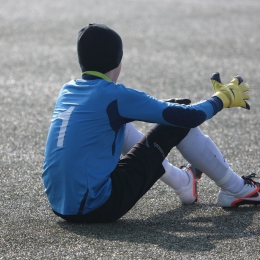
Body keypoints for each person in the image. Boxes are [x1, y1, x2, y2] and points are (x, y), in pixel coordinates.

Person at [42, 23, 259, 224]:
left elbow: (110, 113)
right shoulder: (114, 95)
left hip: (60, 205)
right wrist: (222, 99)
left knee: (122, 124)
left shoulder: (68, 89)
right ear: (118, 61)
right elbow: (189, 117)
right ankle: (235, 189)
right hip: (97, 206)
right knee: (178, 119)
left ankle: (184, 182)